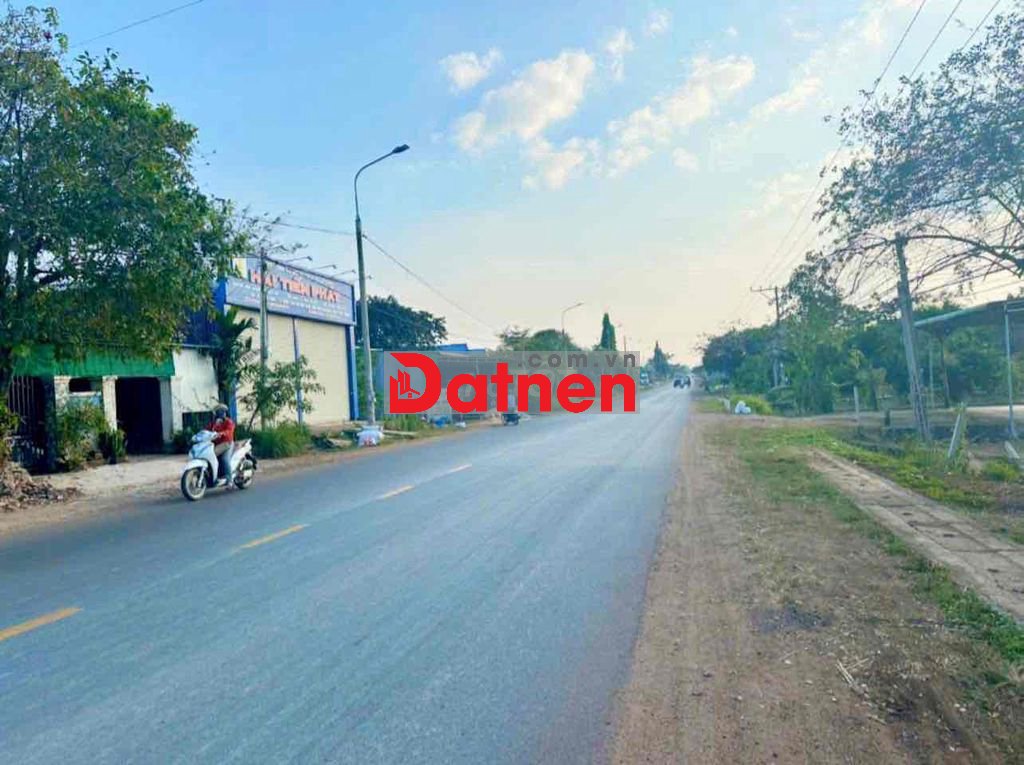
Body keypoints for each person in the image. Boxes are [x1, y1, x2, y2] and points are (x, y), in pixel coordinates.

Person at [209, 403, 235, 483]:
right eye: (218, 412)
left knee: (224, 459)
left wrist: (222, 433)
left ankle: (230, 480)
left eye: (222, 411)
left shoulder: (229, 422)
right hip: (216, 445)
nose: (221, 413)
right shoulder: (214, 423)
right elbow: (207, 430)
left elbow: (229, 431)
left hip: (227, 444)